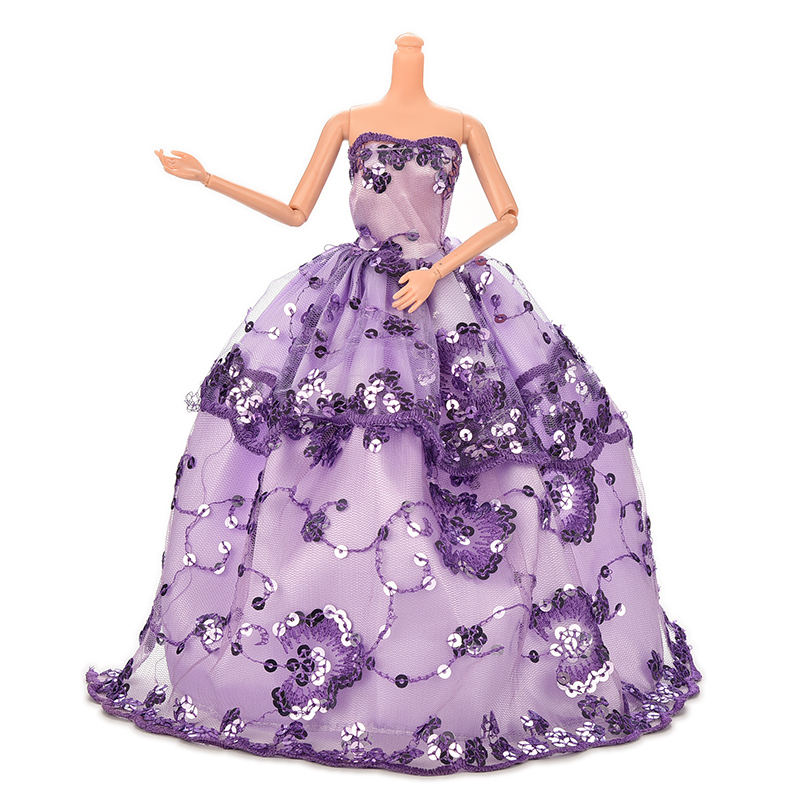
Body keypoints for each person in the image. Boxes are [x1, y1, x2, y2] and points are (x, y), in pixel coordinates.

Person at [86, 32, 701, 775]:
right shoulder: (347, 121)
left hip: (443, 294)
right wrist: (208, 177)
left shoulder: (464, 126)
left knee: (490, 452)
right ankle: (320, 624)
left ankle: (467, 642)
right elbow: (295, 209)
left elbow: (507, 214)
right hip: (355, 303)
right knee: (334, 455)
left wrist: (438, 269)